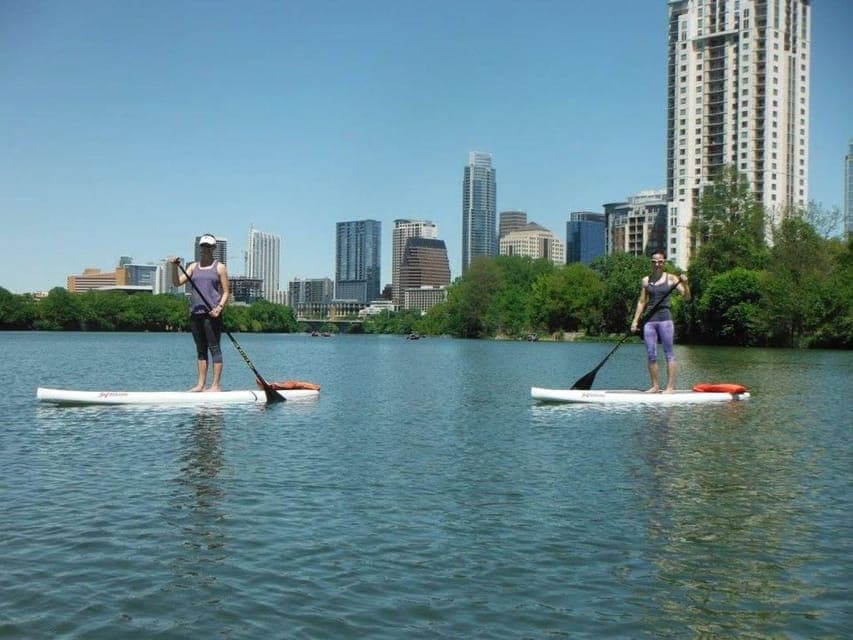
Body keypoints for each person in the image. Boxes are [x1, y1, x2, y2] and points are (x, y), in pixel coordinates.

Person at [171, 234, 230, 392]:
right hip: (195, 313)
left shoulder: (220, 267)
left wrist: (219, 307)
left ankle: (216, 385)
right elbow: (177, 283)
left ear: (213, 248)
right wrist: (174, 267)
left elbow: (226, 292)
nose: (206, 249)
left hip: (212, 314)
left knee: (214, 348)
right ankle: (201, 385)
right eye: (203, 246)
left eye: (209, 247)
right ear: (200, 248)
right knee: (200, 349)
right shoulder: (192, 267)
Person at [630, 250, 690, 393]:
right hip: (649, 321)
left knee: (669, 353)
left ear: (664, 262)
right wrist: (635, 321)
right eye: (654, 262)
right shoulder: (646, 280)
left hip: (665, 320)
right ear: (651, 263)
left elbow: (687, 297)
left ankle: (670, 387)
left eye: (660, 261)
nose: (657, 264)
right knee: (651, 353)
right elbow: (642, 301)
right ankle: (655, 386)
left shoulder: (672, 279)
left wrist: (686, 284)